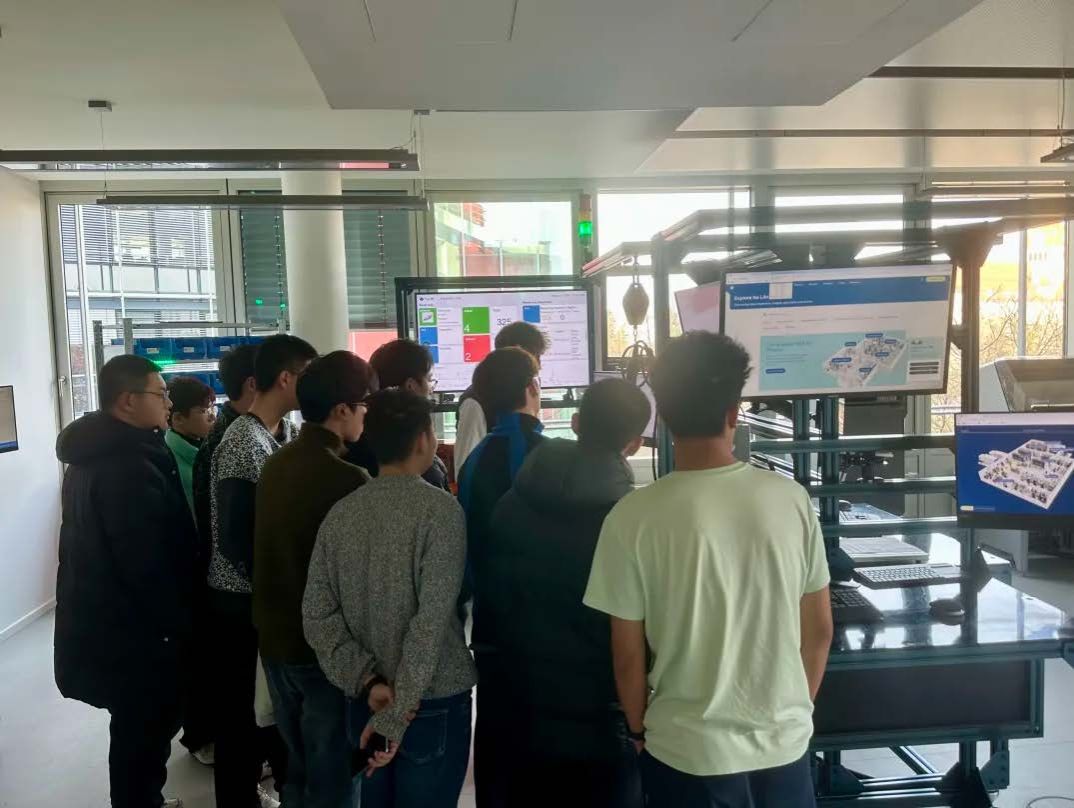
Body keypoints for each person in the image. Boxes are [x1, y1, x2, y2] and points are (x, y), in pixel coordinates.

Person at [584, 332, 833, 808]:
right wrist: (790, 717)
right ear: (733, 413)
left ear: (664, 418)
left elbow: (628, 656)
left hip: (686, 752)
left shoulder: (631, 517)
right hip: (784, 747)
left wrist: (638, 731)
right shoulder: (791, 500)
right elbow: (819, 631)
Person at [303, 389, 477, 808]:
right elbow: (430, 623)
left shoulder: (341, 514)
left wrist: (368, 680)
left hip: (368, 699)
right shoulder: (441, 511)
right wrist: (397, 717)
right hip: (432, 701)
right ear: (423, 438)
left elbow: (317, 615)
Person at [486, 377, 651, 808]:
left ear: (575, 422)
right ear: (635, 444)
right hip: (603, 723)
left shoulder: (510, 503)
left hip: (519, 714)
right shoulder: (632, 524)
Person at [55, 354, 198, 808]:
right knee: (143, 732)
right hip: (136, 632)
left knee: (137, 730)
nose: (168, 402)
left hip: (110, 621)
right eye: (161, 394)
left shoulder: (95, 453)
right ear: (127, 401)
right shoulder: (127, 465)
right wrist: (177, 627)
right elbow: (145, 563)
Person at [254, 351, 376, 808]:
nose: (366, 416)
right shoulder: (348, 479)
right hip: (325, 651)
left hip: (276, 642)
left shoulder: (277, 463)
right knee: (335, 776)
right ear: (342, 409)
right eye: (363, 406)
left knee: (298, 768)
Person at [208, 333, 318, 808]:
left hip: (269, 596)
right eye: (308, 375)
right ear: (287, 378)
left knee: (270, 709)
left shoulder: (285, 432)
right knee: (240, 715)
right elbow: (237, 540)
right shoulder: (241, 442)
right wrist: (278, 587)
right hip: (241, 601)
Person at [455, 346, 543, 808]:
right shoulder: (550, 456)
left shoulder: (474, 461)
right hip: (545, 627)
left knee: (496, 735)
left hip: (490, 624)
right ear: (532, 388)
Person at [183, 343, 258, 765]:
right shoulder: (231, 441)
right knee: (237, 701)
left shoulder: (253, 433)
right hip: (233, 591)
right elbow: (228, 536)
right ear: (255, 383)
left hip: (238, 588)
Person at [343, 339, 449, 490]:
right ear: (411, 386)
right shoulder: (415, 456)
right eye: (430, 379)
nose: (432, 388)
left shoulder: (356, 439)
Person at [453, 321, 547, 478]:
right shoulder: (475, 402)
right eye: (536, 356)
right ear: (516, 352)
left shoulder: (524, 394)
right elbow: (464, 469)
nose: (539, 365)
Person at [164, 375, 217, 514]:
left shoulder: (204, 448)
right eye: (203, 411)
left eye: (211, 409)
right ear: (178, 418)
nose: (212, 417)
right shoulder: (171, 463)